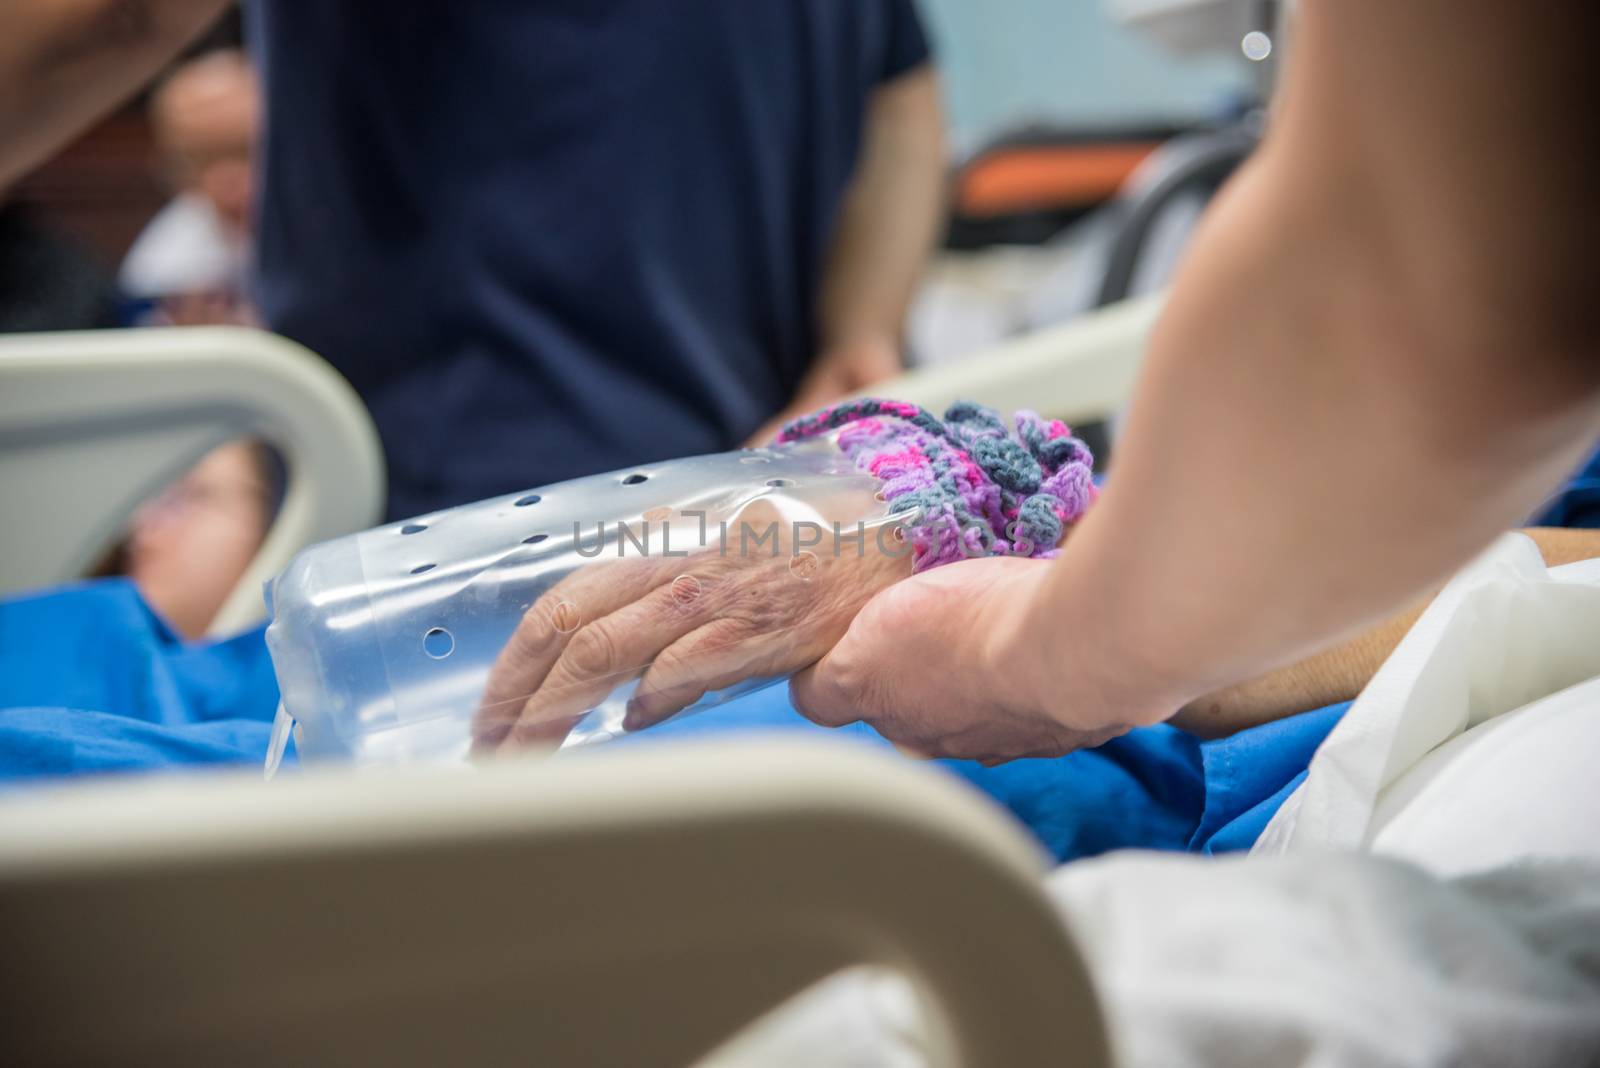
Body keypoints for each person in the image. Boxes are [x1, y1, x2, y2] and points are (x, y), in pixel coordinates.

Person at [0, 0, 945, 521]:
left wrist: (858, 334)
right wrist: (860, 330)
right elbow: (900, 90)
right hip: (749, 503)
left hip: (463, 519)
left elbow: (121, 13)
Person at [119, 47, 258, 326]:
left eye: (246, 151)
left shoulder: (343, 233)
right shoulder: (159, 275)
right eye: (199, 162)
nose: (225, 181)